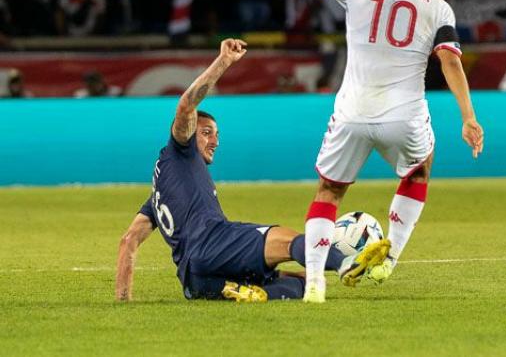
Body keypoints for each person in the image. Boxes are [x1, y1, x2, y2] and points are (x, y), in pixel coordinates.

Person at [253, 0, 484, 303]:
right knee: (420, 167)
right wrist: (468, 116)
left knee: (329, 190)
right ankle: (388, 257)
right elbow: (449, 60)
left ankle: (313, 283)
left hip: (352, 112)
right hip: (404, 115)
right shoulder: (437, 5)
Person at [115, 39, 389, 302]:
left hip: (195, 279)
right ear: (188, 132)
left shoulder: (161, 192)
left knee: (302, 282)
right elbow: (187, 105)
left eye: (217, 135)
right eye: (207, 133)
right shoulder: (180, 150)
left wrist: (123, 301)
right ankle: (346, 261)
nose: (215, 141)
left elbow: (129, 241)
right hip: (215, 243)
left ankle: (247, 291)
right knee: (286, 239)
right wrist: (223, 62)